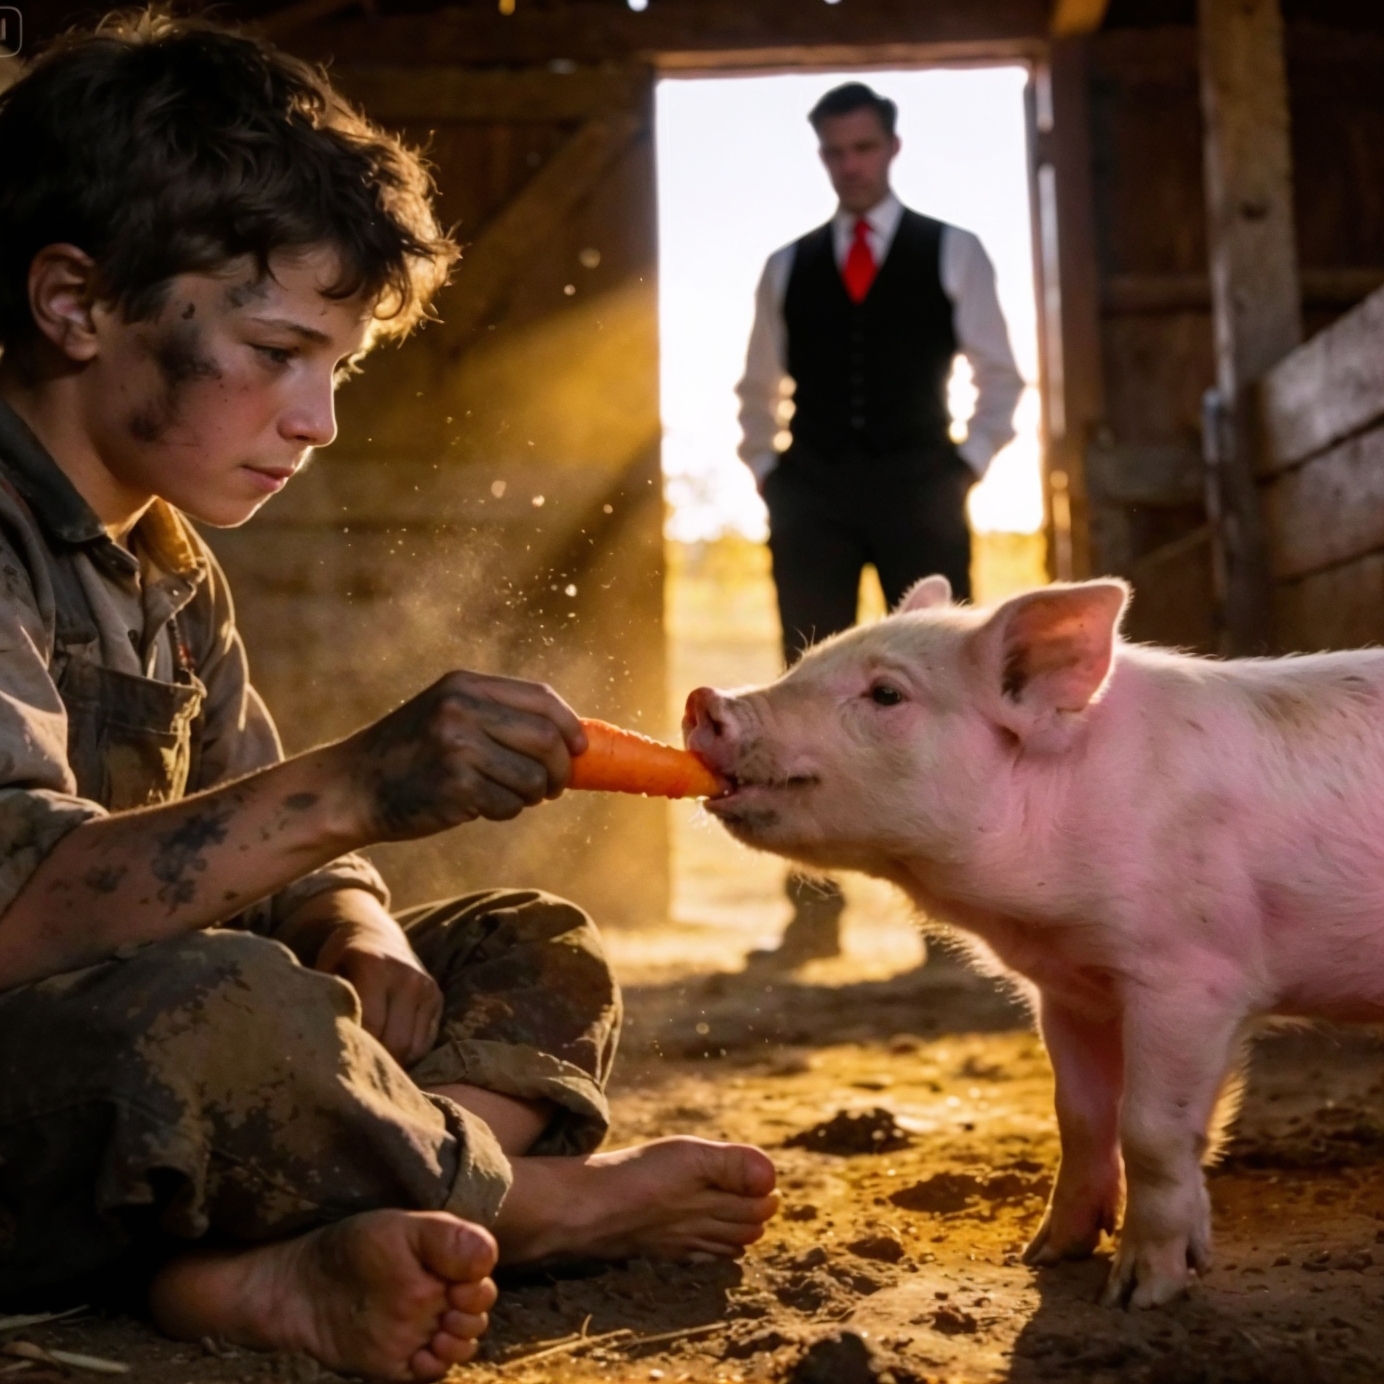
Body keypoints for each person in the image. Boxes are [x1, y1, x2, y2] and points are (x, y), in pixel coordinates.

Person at [0, 14, 778, 1382]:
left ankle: (253, 1260)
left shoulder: (171, 564)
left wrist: (361, 926)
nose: (319, 420)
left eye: (339, 369)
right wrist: (361, 782)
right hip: (53, 1067)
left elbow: (282, 845)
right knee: (218, 1009)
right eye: (278, 348)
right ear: (75, 305)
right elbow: (18, 912)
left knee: (525, 939)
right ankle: (521, 1208)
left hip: (148, 1089)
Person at [735, 81, 1024, 968]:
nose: (850, 165)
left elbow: (1000, 376)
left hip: (921, 492)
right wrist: (770, 473)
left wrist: (962, 467)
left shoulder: (954, 251)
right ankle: (812, 915)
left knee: (943, 699)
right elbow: (756, 388)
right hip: (812, 497)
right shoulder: (788, 265)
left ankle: (952, 925)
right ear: (822, 155)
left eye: (862, 148)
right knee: (800, 702)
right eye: (834, 151)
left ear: (891, 149)